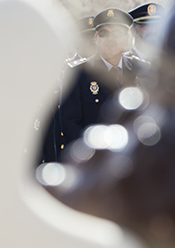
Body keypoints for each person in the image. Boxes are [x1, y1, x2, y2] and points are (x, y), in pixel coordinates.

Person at [59, 8, 150, 146]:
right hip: (94, 158)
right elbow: (70, 124)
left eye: (117, 33)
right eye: (104, 33)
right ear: (96, 38)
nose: (110, 39)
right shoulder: (79, 73)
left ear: (127, 37)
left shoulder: (140, 70)